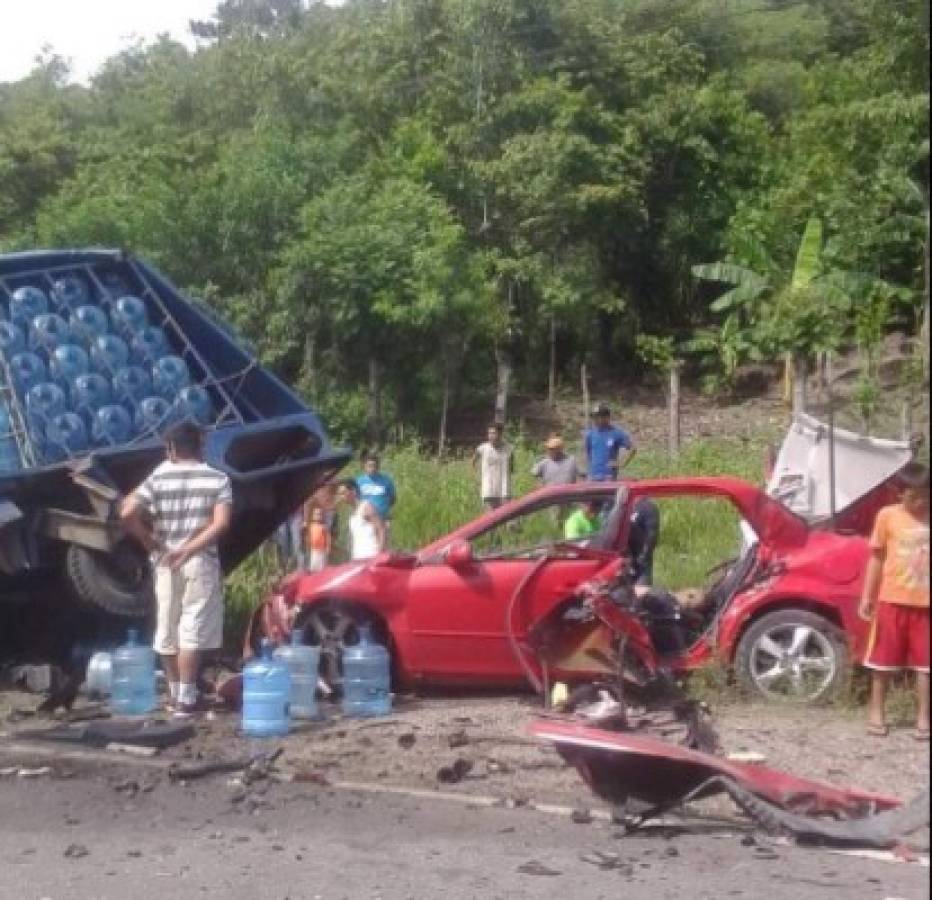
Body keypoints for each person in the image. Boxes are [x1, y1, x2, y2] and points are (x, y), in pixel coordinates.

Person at [120, 421, 233, 717]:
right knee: (192, 629)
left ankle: (174, 695)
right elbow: (221, 524)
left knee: (167, 628)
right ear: (201, 446)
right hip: (199, 561)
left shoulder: (158, 476)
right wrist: (190, 548)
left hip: (165, 560)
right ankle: (186, 697)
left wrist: (150, 542)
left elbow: (127, 511)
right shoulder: (217, 479)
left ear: (171, 449)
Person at [859, 461, 929, 739]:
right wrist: (868, 595)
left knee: (926, 665)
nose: (920, 502)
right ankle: (876, 712)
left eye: (926, 496)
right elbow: (876, 558)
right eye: (914, 497)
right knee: (882, 662)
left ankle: (924, 718)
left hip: (926, 605)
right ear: (900, 494)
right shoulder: (887, 517)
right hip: (892, 601)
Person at [337, 478, 386, 560]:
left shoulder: (366, 507)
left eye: (343, 493)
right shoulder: (351, 513)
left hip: (371, 554)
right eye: (340, 494)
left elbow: (381, 529)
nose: (341, 497)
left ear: (353, 491)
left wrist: (380, 552)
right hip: (358, 556)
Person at [584, 403, 636, 481]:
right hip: (593, 476)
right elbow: (588, 453)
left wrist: (621, 463)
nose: (596, 420)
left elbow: (632, 449)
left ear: (607, 417)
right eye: (594, 417)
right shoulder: (590, 434)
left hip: (608, 475)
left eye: (598, 417)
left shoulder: (616, 433)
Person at [356, 453, 397, 543]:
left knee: (382, 546)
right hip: (366, 521)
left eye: (374, 465)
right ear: (364, 466)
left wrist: (383, 509)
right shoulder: (359, 482)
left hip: (383, 520)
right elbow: (356, 500)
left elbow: (393, 498)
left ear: (378, 466)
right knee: (368, 546)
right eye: (369, 466)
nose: (372, 468)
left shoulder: (386, 480)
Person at [474, 422, 514, 510]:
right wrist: (476, 477)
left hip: (504, 491)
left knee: (510, 520)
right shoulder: (482, 448)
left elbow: (511, 468)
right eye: (489, 433)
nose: (491, 436)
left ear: (500, 434)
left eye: (493, 433)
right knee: (491, 519)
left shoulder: (509, 448)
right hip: (488, 490)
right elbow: (474, 461)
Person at [628, 497, 661, 586]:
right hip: (625, 558)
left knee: (642, 592)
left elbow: (652, 534)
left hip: (641, 559)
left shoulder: (648, 507)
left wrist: (644, 555)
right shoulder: (625, 506)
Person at [305, 504, 331, 572]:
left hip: (322, 551)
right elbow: (308, 537)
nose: (317, 516)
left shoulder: (324, 527)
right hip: (313, 551)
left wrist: (328, 548)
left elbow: (328, 538)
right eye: (316, 514)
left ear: (322, 516)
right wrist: (307, 543)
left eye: (319, 514)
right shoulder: (311, 526)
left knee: (321, 569)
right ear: (312, 516)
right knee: (313, 567)